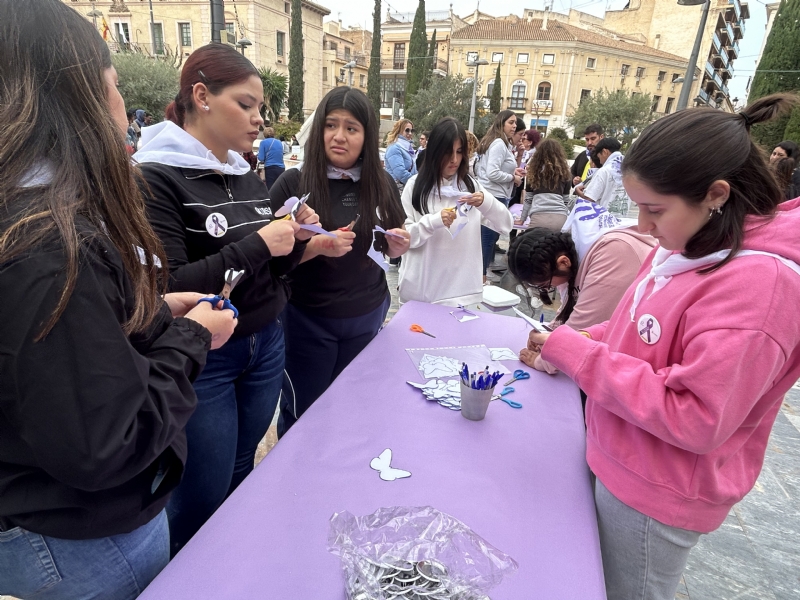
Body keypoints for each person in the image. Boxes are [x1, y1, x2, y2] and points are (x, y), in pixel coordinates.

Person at [0, 2, 238, 598]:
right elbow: (109, 438)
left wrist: (155, 314)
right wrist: (192, 337)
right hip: (80, 539)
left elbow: (63, 357)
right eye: (112, 82)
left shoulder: (34, 225)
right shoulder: (49, 247)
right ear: (79, 95)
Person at [527, 94, 800, 600]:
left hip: (656, 490)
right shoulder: (692, 243)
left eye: (654, 209)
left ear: (716, 194)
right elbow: (638, 330)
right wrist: (581, 339)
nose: (643, 226)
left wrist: (581, 356)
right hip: (623, 458)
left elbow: (696, 414)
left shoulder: (759, 285)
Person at [134, 43, 320, 556]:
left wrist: (292, 242)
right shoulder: (154, 176)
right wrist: (261, 242)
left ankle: (234, 561)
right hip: (205, 359)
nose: (260, 118)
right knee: (200, 493)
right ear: (202, 96)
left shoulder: (242, 169)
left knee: (242, 467)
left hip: (264, 342)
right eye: (247, 104)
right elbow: (167, 287)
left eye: (261, 107)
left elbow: (267, 267)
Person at [269, 87, 410, 435]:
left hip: (367, 316)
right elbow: (265, 257)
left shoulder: (381, 184)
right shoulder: (294, 183)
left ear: (366, 135)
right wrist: (314, 247)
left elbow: (392, 240)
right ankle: (298, 481)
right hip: (307, 320)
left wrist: (398, 246)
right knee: (305, 413)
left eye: (351, 128)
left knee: (354, 409)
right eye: (331, 125)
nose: (339, 136)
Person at [398, 117, 513, 306]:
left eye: (459, 152)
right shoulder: (415, 186)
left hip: (460, 294)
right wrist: (433, 221)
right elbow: (404, 239)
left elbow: (506, 225)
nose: (454, 160)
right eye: (447, 152)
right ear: (434, 151)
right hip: (422, 294)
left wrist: (487, 202)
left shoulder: (470, 186)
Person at [508, 226, 655, 372]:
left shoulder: (614, 254)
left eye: (545, 284)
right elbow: (570, 308)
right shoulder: (569, 255)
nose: (547, 290)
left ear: (564, 262)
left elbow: (585, 326)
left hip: (644, 355)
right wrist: (548, 332)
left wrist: (541, 361)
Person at [474, 110, 523, 280]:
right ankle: (480, 277)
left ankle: (481, 275)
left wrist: (513, 171)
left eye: (515, 123)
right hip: (493, 196)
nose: (514, 126)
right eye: (511, 122)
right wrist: (512, 177)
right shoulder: (498, 144)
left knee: (489, 238)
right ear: (501, 123)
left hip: (495, 195)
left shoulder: (501, 144)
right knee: (488, 239)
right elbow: (492, 173)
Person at [517, 138, 572, 231]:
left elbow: (528, 200)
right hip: (561, 219)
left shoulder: (534, 173)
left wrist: (522, 220)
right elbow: (566, 200)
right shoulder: (565, 173)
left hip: (538, 218)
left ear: (539, 155)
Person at [579, 137, 631, 216]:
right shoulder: (629, 169)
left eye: (598, 155)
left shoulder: (604, 171)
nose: (599, 160)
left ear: (604, 152)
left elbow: (589, 198)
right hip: (623, 219)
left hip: (605, 220)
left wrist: (577, 190)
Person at [384, 118, 417, 193]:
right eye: (407, 130)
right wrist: (416, 182)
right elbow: (400, 173)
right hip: (396, 189)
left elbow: (413, 170)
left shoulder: (408, 148)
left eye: (412, 130)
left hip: (406, 187)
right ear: (399, 130)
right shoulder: (394, 148)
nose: (410, 133)